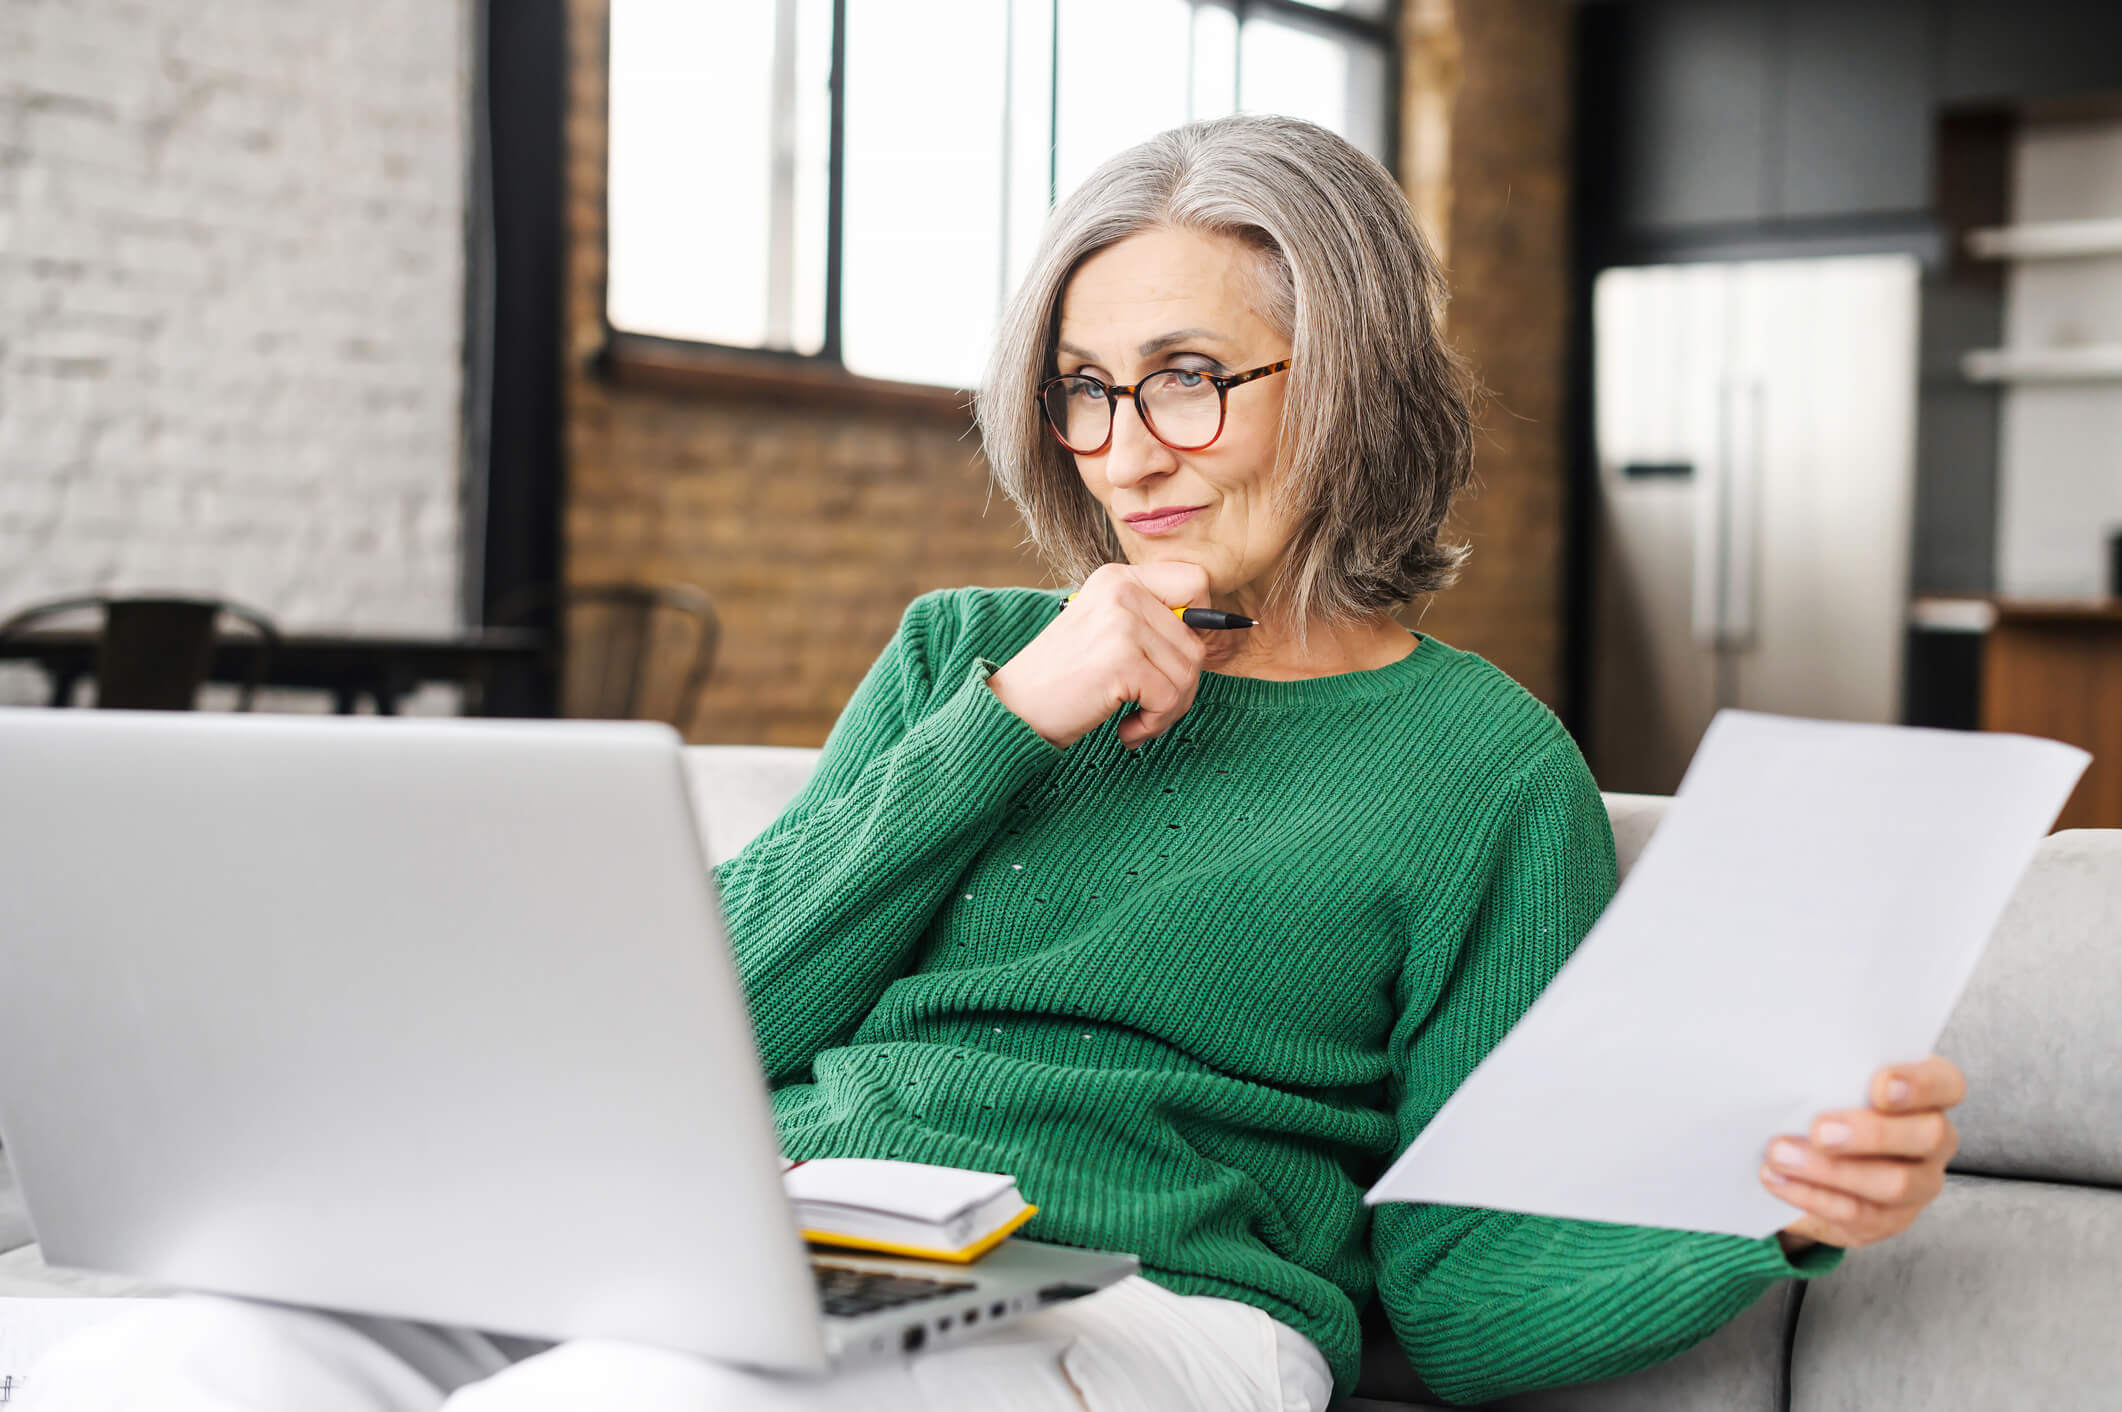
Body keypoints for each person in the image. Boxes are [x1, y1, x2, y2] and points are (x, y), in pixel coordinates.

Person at [28, 112, 1965, 1412]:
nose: (1126, 446)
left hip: (1142, 1307)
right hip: (789, 1236)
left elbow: (1450, 1285)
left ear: (1352, 379)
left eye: (1189, 376)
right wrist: (996, 731)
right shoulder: (970, 658)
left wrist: (1762, 1197)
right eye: (1083, 389)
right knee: (180, 1354)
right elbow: (704, 1012)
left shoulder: (1476, 766)